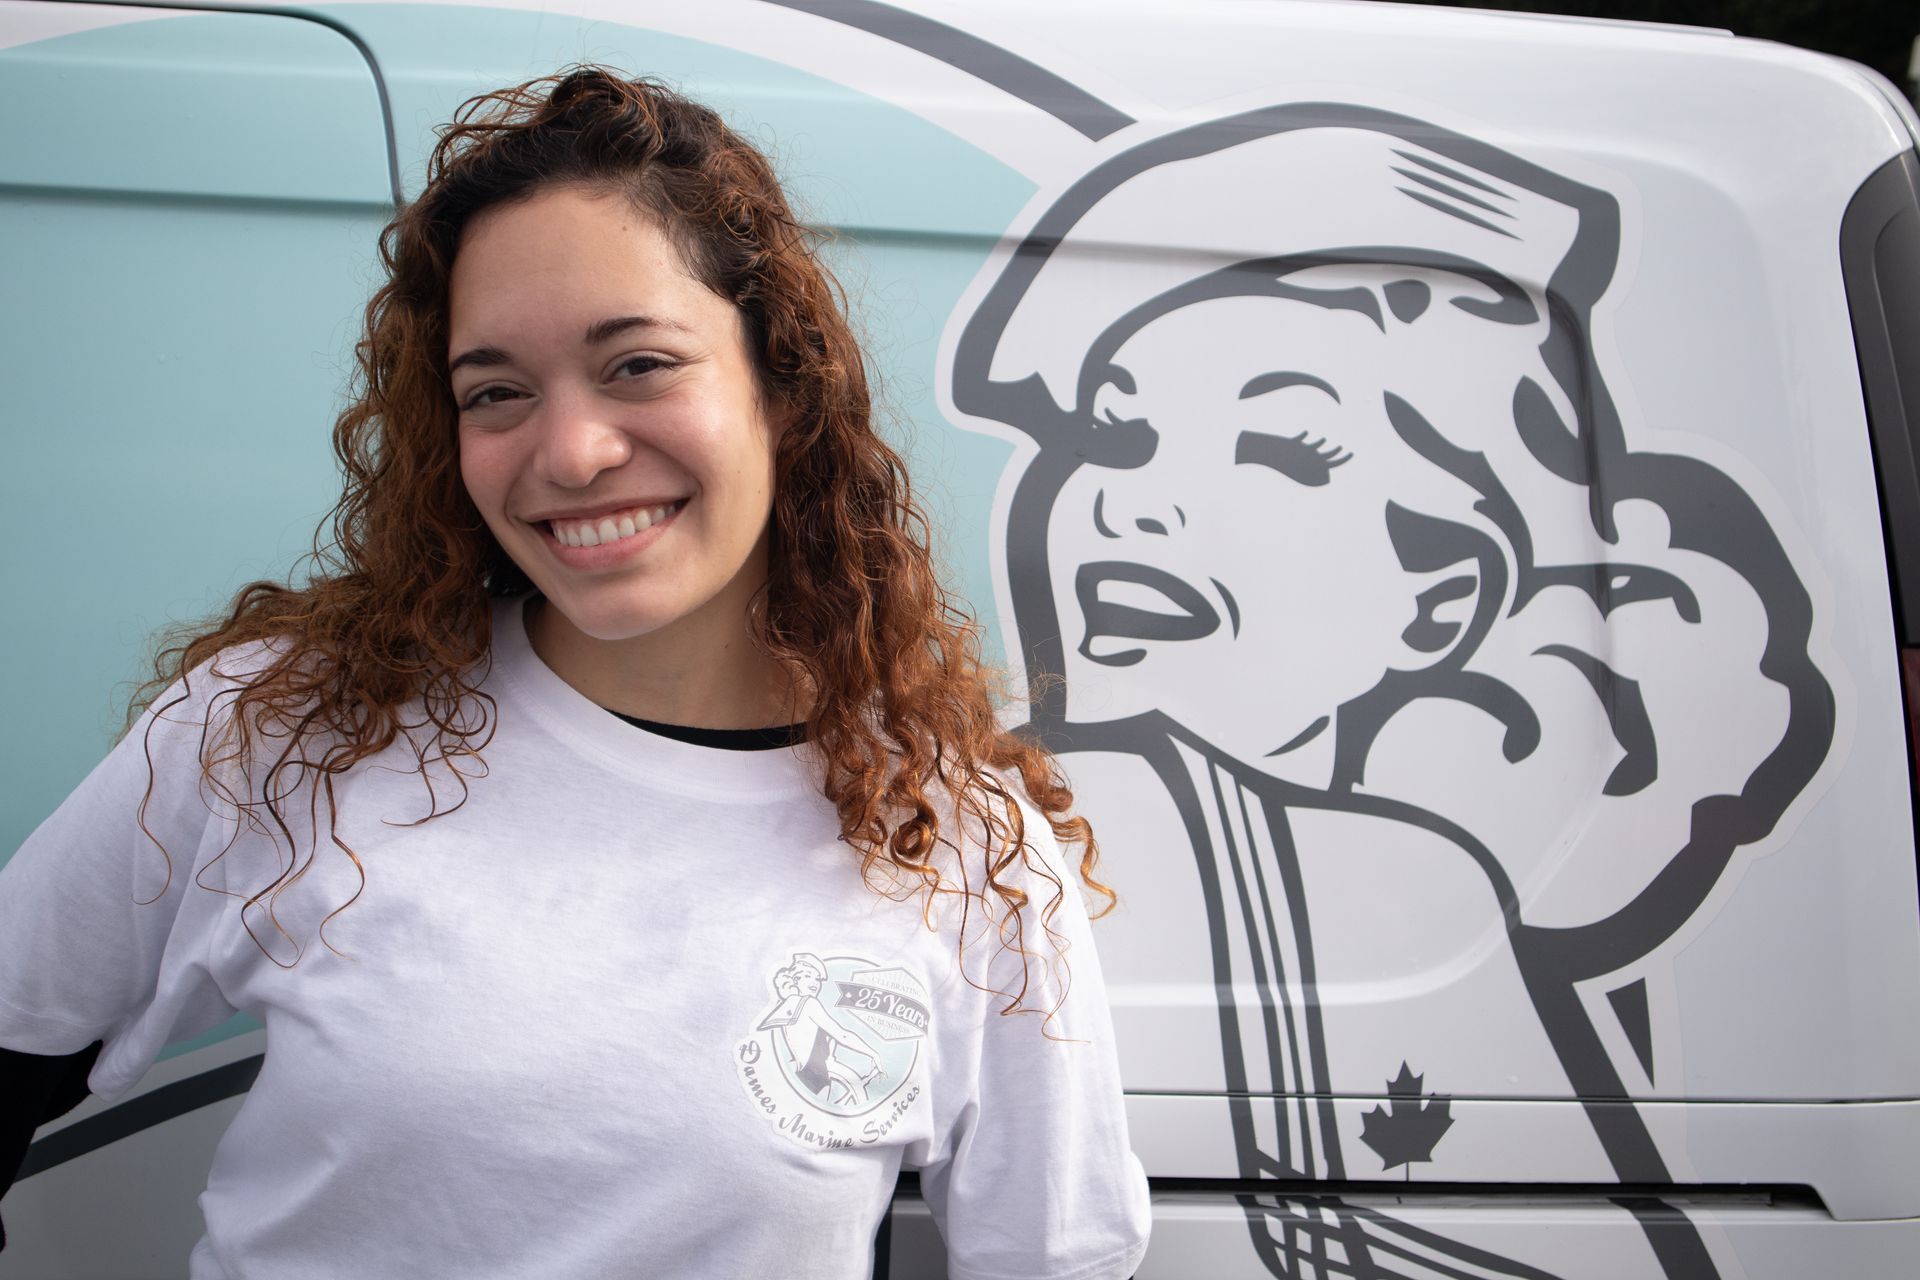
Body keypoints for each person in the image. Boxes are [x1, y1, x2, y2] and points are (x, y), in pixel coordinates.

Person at [0, 67, 1151, 1279]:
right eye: (495, 391)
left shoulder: (966, 853)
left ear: (783, 388)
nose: (571, 449)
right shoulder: (283, 728)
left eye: (639, 363)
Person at [947, 105, 1832, 1278]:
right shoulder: (967, 807)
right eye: (1115, 432)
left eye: (1278, 447)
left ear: (1441, 600)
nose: (1130, 500)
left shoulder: (1407, 877)